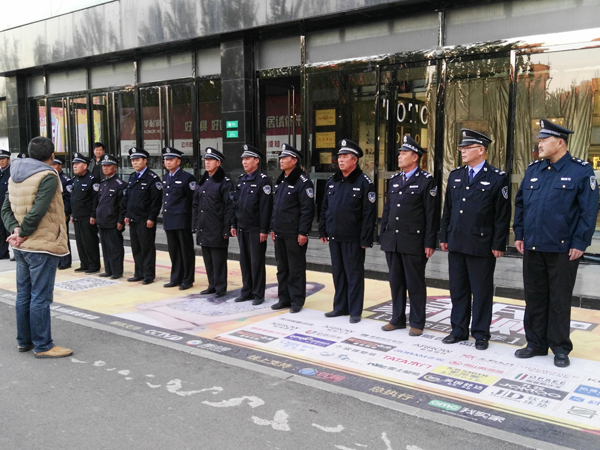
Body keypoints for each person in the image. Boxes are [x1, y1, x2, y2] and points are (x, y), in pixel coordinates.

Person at [513, 119, 599, 368]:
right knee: (534, 298)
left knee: (559, 300)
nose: (539, 144)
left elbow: (588, 211)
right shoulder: (534, 169)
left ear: (560, 142)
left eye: (544, 140)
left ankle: (560, 347)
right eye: (539, 140)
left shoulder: (580, 170)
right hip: (533, 246)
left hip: (563, 249)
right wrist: (519, 234)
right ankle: (535, 343)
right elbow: (521, 204)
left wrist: (580, 242)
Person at [439, 129, 510, 350]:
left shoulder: (497, 177)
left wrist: (498, 243)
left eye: (467, 148)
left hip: (481, 245)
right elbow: (448, 209)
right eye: (462, 148)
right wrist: (444, 235)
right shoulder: (455, 175)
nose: (462, 151)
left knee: (481, 292)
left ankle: (480, 333)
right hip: (457, 241)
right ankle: (458, 329)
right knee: (458, 290)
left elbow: (502, 215)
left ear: (481, 150)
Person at [1, 136, 72, 358]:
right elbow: (39, 210)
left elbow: (5, 209)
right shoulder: (48, 176)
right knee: (40, 296)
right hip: (42, 244)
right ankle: (43, 345)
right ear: (52, 155)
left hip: (22, 246)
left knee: (24, 294)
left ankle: (24, 341)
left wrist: (15, 231)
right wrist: (21, 232)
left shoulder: (15, 173)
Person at [380, 136, 438, 336]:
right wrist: (384, 235)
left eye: (404, 153)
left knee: (415, 283)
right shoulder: (395, 180)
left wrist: (430, 241)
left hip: (414, 241)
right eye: (400, 153)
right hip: (393, 240)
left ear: (415, 157)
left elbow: (431, 214)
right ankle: (397, 318)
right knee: (395, 281)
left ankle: (417, 321)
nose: (399, 156)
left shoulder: (426, 181)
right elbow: (387, 210)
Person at [319, 139, 376, 323]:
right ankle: (340, 307)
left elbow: (369, 213)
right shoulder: (333, 181)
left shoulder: (364, 182)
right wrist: (323, 230)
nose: (341, 160)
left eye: (345, 157)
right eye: (339, 157)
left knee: (354, 274)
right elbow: (325, 208)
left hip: (353, 237)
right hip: (335, 235)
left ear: (354, 160)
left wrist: (366, 239)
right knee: (338, 273)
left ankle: (354, 310)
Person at [270, 144, 315, 313]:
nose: (281, 161)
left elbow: (307, 209)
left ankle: (297, 300)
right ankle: (284, 298)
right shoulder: (281, 180)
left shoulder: (303, 182)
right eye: (280, 158)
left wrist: (303, 232)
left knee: (295, 268)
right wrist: (273, 227)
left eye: (284, 158)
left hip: (294, 233)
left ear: (294, 160)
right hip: (280, 231)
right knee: (282, 268)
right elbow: (276, 206)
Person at [230, 144, 273, 305]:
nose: (244, 162)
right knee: (245, 261)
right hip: (242, 226)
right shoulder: (241, 180)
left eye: (248, 159)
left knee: (256, 262)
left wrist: (264, 229)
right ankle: (246, 291)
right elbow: (236, 204)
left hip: (256, 229)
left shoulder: (263, 181)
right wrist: (233, 224)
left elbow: (265, 208)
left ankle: (258, 294)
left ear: (256, 160)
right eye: (243, 159)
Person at [192, 147, 233, 298]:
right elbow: (195, 204)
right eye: (206, 160)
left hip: (217, 227)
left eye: (210, 160)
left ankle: (220, 287)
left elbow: (229, 207)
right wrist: (195, 225)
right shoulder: (203, 181)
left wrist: (226, 228)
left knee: (218, 260)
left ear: (218, 163)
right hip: (204, 226)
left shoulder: (224, 183)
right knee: (208, 259)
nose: (207, 163)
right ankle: (212, 285)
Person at [124, 147, 162, 285]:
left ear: (145, 160)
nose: (134, 163)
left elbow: (156, 201)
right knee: (136, 248)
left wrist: (152, 217)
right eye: (132, 160)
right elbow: (129, 198)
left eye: (137, 160)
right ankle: (138, 273)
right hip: (133, 218)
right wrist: (127, 214)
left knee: (147, 248)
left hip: (145, 220)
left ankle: (148, 275)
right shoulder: (132, 177)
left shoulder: (152, 178)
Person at [161, 147, 197, 290]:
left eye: (171, 159)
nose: (168, 162)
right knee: (174, 251)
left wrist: (193, 222)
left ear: (178, 161)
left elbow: (192, 201)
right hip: (169, 219)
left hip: (182, 220)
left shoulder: (187, 178)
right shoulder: (165, 178)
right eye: (166, 160)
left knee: (185, 251)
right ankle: (176, 277)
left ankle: (187, 279)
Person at [92, 154, 126, 280]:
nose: (105, 168)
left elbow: (122, 205)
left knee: (114, 247)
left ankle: (117, 271)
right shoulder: (103, 183)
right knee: (105, 247)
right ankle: (108, 269)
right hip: (102, 220)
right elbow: (99, 202)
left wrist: (120, 220)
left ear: (115, 167)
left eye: (108, 166)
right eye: (104, 166)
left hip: (113, 221)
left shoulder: (120, 184)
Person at [71, 152, 101, 274]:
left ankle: (94, 265)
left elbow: (95, 199)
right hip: (77, 216)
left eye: (77, 164)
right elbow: (74, 199)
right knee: (80, 242)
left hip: (87, 217)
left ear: (85, 165)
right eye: (73, 164)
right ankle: (84, 264)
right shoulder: (75, 180)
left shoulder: (92, 179)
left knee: (90, 241)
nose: (74, 166)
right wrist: (72, 214)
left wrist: (93, 215)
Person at [52, 156, 73, 270]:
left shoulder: (65, 180)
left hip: (62, 213)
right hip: (52, 213)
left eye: (55, 164)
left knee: (63, 237)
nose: (53, 166)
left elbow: (68, 198)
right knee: (54, 237)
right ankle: (57, 260)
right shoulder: (50, 177)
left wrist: (66, 213)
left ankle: (65, 261)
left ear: (60, 166)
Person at [0, 149, 12, 259]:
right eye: (0, 159)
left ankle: (16, 252)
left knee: (10, 230)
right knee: (1, 231)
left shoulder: (12, 173)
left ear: (8, 159)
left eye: (3, 159)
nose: (1, 161)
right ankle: (3, 253)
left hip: (9, 207)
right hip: (0, 207)